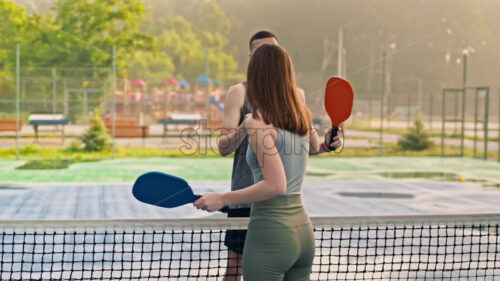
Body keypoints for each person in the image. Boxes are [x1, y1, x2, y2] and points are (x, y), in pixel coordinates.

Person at [195, 44, 342, 280]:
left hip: (270, 233)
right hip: (303, 233)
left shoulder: (257, 121)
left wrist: (222, 198)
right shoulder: (301, 114)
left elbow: (275, 185)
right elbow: (316, 148)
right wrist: (330, 144)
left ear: (255, 76)